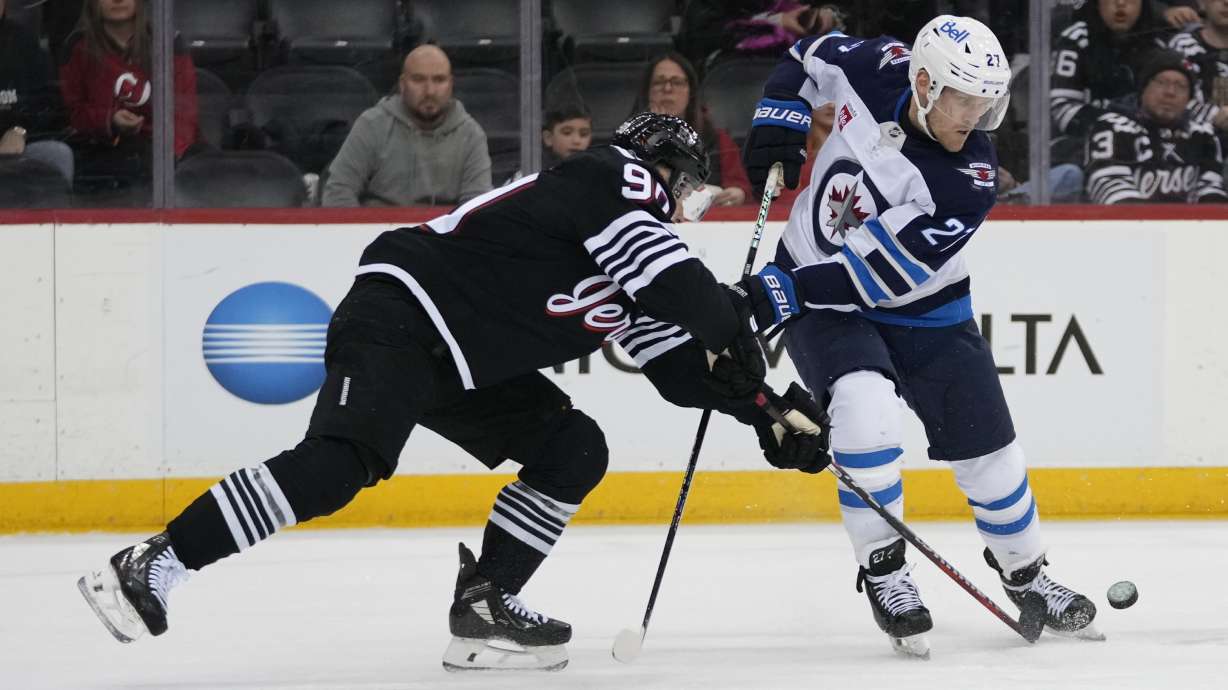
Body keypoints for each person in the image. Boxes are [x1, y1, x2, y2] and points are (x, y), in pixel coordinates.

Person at [77, 112, 831, 672]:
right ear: (664, 169)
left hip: (460, 363)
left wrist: (766, 411)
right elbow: (697, 300)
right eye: (692, 190)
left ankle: (485, 602)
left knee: (573, 447)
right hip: (402, 312)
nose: (692, 207)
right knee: (340, 464)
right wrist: (757, 303)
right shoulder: (615, 176)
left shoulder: (633, 253)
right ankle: (157, 562)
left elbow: (681, 369)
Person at [732, 16, 1100, 658]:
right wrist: (780, 116)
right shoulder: (878, 66)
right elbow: (804, 56)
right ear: (923, 82)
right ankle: (885, 572)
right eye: (964, 99)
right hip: (825, 297)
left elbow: (870, 274)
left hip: (920, 308)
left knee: (991, 458)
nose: (978, 117)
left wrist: (776, 291)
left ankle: (1029, 575)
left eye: (990, 102)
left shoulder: (968, 179)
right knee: (864, 413)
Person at [323, 44, 492, 207]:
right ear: (402, 84)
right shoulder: (372, 125)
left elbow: (475, 209)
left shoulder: (471, 135)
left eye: (439, 80)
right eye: (419, 80)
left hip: (441, 234)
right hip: (379, 234)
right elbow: (338, 192)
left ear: (451, 85)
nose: (430, 91)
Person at [58, 0, 198, 189]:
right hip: (100, 160)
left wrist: (170, 156)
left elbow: (183, 114)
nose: (117, 0)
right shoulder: (78, 48)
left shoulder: (169, 43)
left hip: (164, 157)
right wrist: (109, 119)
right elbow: (71, 114)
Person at [1085, 50, 1228, 203]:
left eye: (1181, 86)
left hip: (1186, 225)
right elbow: (1109, 185)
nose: (1170, 92)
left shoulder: (1202, 134)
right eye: (1162, 82)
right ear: (1143, 89)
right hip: (1129, 224)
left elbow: (1209, 188)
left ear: (1189, 99)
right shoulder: (1113, 126)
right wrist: (1149, 224)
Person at [631, 52, 753, 207]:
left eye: (677, 82)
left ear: (691, 92)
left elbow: (743, 188)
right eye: (658, 82)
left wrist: (739, 193)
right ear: (647, 92)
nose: (667, 88)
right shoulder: (627, 140)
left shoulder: (717, 139)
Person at [0, 0, 74, 186]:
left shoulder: (23, 43)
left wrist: (20, 131)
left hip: (15, 148)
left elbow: (49, 103)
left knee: (57, 154)